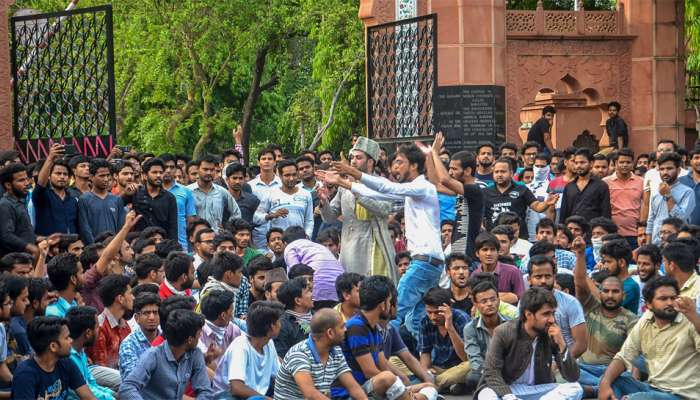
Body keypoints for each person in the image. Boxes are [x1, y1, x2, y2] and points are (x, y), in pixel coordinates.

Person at [317, 143, 443, 338]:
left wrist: (351, 176)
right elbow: (378, 192)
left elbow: (384, 193)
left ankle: (378, 353)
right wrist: (343, 185)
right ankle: (423, 361)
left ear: (415, 165)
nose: (394, 168)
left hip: (417, 259)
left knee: (390, 311)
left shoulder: (421, 186)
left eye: (400, 163)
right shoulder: (411, 188)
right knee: (417, 319)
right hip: (420, 261)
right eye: (393, 164)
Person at [333, 276, 437, 400]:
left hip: (374, 387)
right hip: (352, 392)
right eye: (389, 301)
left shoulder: (375, 328)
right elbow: (370, 371)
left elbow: (384, 365)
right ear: (383, 305)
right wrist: (400, 386)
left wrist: (403, 386)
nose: (391, 305)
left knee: (429, 386)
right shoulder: (356, 327)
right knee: (387, 378)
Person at [598, 276, 700, 399]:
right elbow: (624, 356)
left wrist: (694, 317)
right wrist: (605, 382)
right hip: (653, 388)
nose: (669, 303)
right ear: (649, 305)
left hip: (682, 395)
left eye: (673, 298)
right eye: (663, 299)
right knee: (609, 381)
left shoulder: (691, 320)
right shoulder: (646, 319)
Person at [475, 287, 583, 400]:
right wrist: (509, 397)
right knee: (486, 395)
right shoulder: (504, 332)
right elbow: (491, 371)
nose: (551, 319)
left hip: (536, 389)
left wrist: (562, 344)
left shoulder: (551, 333)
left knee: (575, 388)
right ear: (528, 315)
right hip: (508, 389)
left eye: (553, 313)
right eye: (546, 314)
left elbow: (572, 376)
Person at [320, 138, 397, 278]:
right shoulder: (344, 185)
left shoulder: (381, 183)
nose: (353, 161)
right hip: (349, 248)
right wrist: (324, 202)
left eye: (358, 158)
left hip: (374, 243)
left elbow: (384, 210)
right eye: (352, 157)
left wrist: (354, 188)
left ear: (370, 161)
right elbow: (330, 217)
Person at [571, 237, 638, 398]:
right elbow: (580, 282)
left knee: (618, 382)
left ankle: (595, 388)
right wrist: (580, 254)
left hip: (612, 373)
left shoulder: (631, 319)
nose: (610, 295)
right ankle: (593, 388)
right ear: (600, 292)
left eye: (615, 292)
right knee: (564, 375)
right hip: (585, 369)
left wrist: (633, 385)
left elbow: (635, 355)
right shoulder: (591, 306)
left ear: (623, 295)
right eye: (606, 291)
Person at [273, 308, 369, 400]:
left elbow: (352, 386)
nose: (345, 329)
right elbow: (310, 394)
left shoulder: (336, 352)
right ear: (330, 333)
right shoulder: (299, 354)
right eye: (342, 327)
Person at [120, 309, 212, 400]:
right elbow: (127, 387)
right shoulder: (153, 356)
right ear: (190, 339)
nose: (200, 336)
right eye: (199, 334)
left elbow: (204, 391)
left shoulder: (195, 354)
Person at [427, 133, 483, 259]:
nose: (450, 172)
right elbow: (435, 183)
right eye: (450, 168)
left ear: (468, 171)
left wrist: (436, 154)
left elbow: (444, 180)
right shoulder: (460, 190)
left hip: (469, 254)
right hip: (457, 251)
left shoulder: (475, 189)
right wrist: (431, 153)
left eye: (454, 169)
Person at [212, 301, 283, 399]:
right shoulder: (241, 346)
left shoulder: (269, 343)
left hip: (255, 395)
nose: (280, 324)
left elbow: (278, 377)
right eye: (278, 321)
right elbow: (236, 388)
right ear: (272, 326)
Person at [11, 316, 95, 399]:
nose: (71, 340)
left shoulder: (66, 363)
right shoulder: (25, 375)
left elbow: (88, 397)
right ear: (53, 346)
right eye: (67, 338)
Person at [526, 254, 587, 358]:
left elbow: (581, 345)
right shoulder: (524, 302)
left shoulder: (570, 302)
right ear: (529, 279)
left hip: (565, 363)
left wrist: (560, 364)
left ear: (554, 277)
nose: (543, 281)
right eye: (538, 277)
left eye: (548, 276)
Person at [482, 158, 558, 238]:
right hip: (495, 239)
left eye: (503, 171)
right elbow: (480, 216)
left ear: (511, 173)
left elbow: (537, 207)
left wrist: (547, 203)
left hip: (519, 238)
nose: (499, 174)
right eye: (496, 172)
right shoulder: (485, 192)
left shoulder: (522, 189)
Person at [418, 288, 471, 394]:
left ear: (448, 308)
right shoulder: (425, 321)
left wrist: (450, 327)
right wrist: (425, 371)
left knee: (471, 366)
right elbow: (425, 352)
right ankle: (444, 384)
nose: (433, 317)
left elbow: (466, 357)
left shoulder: (462, 319)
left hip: (459, 368)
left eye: (437, 312)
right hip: (438, 368)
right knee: (395, 361)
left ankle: (431, 384)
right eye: (429, 312)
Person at [463, 280, 511, 393]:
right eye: (484, 301)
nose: (489, 304)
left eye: (493, 299)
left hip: (508, 369)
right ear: (475, 304)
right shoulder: (470, 328)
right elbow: (475, 359)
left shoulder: (511, 325)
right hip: (484, 371)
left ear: (499, 300)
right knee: (472, 378)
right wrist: (491, 374)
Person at [282, 226, 344, 309]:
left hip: (317, 293)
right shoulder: (319, 246)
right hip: (339, 291)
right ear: (306, 237)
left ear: (285, 243)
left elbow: (296, 272)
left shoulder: (290, 247)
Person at [66, 306, 116, 400]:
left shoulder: (81, 352)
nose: (99, 330)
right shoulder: (68, 357)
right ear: (88, 333)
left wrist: (112, 394)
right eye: (97, 327)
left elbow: (91, 383)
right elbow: (86, 392)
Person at [646, 152, 695, 245]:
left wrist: (668, 196)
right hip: (656, 243)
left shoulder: (687, 192)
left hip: (677, 244)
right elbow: (651, 220)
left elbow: (681, 218)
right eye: (662, 169)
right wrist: (648, 246)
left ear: (678, 170)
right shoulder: (656, 192)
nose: (665, 172)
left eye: (669, 168)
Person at [257, 160, 314, 239]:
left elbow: (309, 220)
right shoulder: (270, 193)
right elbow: (256, 217)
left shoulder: (306, 194)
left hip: (299, 241)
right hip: (278, 242)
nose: (291, 178)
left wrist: (307, 236)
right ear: (280, 176)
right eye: (287, 175)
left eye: (294, 175)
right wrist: (272, 215)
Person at [88, 274, 133, 369]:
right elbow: (101, 368)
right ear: (120, 299)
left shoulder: (125, 325)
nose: (133, 297)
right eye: (130, 293)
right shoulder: (100, 328)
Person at [33, 143, 79, 236]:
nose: (62, 177)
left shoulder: (73, 200)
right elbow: (40, 184)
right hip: (49, 247)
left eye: (65, 174)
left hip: (71, 247)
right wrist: (50, 158)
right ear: (49, 176)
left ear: (69, 177)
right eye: (58, 173)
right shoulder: (43, 196)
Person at [187, 155, 241, 233]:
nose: (209, 172)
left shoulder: (222, 192)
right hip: (194, 240)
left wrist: (228, 227)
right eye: (205, 169)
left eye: (212, 170)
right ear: (198, 169)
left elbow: (236, 213)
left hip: (217, 239)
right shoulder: (188, 191)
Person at [77, 159, 126, 245]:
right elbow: (85, 229)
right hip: (94, 250)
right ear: (91, 177)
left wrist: (117, 246)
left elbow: (120, 227)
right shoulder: (84, 200)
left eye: (108, 175)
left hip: (114, 248)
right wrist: (94, 248)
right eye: (102, 176)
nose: (106, 179)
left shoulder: (117, 199)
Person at [603, 148, 644, 247]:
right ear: (616, 163)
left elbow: (645, 205)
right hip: (613, 234)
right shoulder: (605, 182)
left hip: (635, 234)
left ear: (633, 163)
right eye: (621, 162)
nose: (625, 165)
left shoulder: (642, 181)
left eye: (628, 162)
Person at [559, 148, 612, 223]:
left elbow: (606, 213)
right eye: (576, 163)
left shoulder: (601, 186)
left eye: (582, 162)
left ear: (591, 163)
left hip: (593, 231)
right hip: (572, 231)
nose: (578, 166)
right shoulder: (569, 187)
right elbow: (564, 213)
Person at [473, 233, 524, 305]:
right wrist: (506, 296)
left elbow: (520, 298)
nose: (489, 253)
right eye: (485, 250)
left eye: (493, 250)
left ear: (498, 252)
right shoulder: (474, 275)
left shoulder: (513, 271)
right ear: (477, 254)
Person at [160, 154, 198, 250]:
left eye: (172, 167)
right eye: (165, 167)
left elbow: (191, 221)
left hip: (181, 244)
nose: (168, 170)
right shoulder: (153, 191)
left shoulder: (186, 191)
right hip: (158, 244)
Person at [119, 292, 161, 379]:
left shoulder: (166, 339)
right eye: (146, 313)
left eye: (155, 312)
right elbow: (134, 380)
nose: (152, 317)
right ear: (136, 318)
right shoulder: (129, 344)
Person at [198, 290, 242, 371]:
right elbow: (204, 365)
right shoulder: (197, 333)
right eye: (231, 312)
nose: (232, 317)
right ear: (223, 315)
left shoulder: (233, 329)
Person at [0, 163, 37, 257]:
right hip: (15, 263)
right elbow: (6, 235)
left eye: (26, 179)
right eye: (21, 180)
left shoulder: (19, 202)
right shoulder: (5, 205)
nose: (27, 183)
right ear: (8, 185)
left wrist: (45, 239)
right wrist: (29, 247)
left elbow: (23, 233)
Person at [274, 276, 314, 358]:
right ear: (298, 301)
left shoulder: (320, 316)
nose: (312, 295)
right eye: (308, 292)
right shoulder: (282, 325)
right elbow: (282, 357)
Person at [12, 277, 49, 356]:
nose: (48, 304)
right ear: (35, 303)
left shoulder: (35, 321)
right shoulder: (19, 331)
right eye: (46, 299)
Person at [45, 253, 85, 318]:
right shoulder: (54, 314)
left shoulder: (74, 302)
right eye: (82, 273)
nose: (84, 276)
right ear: (73, 279)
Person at [679, 147, 700, 226]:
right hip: (686, 232)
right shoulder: (680, 182)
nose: (699, 161)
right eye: (696, 158)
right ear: (690, 161)